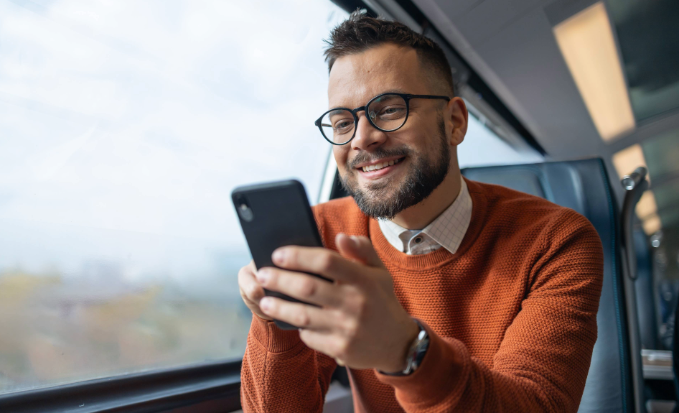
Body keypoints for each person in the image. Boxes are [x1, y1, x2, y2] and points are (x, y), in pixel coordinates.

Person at [238, 10, 603, 413]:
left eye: (390, 109)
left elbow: (536, 405)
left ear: (455, 122)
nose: (363, 139)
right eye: (343, 122)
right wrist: (275, 319)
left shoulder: (556, 240)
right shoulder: (324, 234)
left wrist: (407, 352)